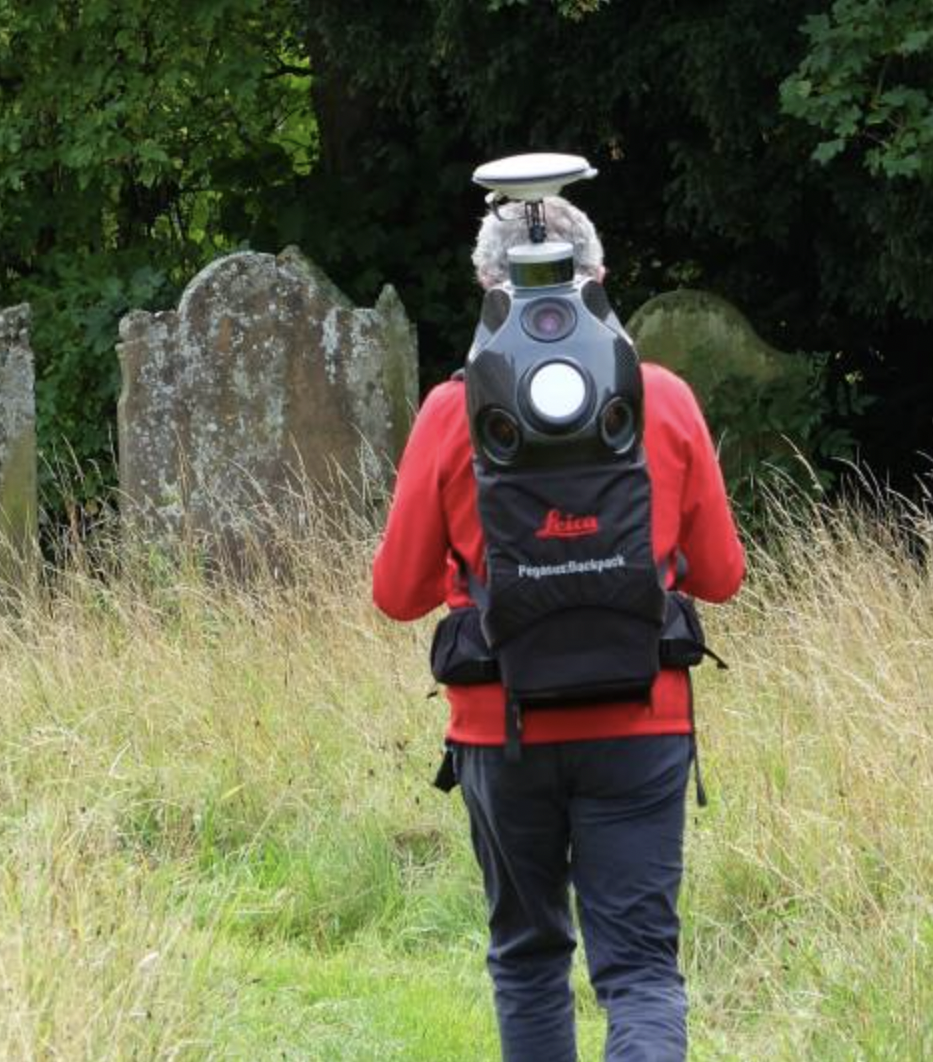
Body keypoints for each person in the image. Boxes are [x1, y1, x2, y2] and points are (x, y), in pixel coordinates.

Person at [371, 195, 744, 1062]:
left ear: (485, 284)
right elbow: (722, 577)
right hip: (643, 722)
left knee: (530, 958)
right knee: (642, 973)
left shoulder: (448, 413)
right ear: (600, 279)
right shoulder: (667, 400)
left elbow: (396, 593)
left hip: (499, 732)